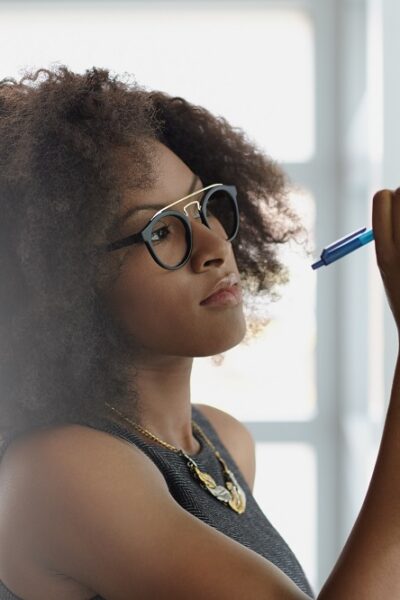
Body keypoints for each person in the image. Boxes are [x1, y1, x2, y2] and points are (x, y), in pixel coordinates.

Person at [0, 66, 398, 600]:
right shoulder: (60, 474)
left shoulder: (222, 443)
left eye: (204, 202)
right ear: (61, 282)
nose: (214, 245)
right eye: (160, 229)